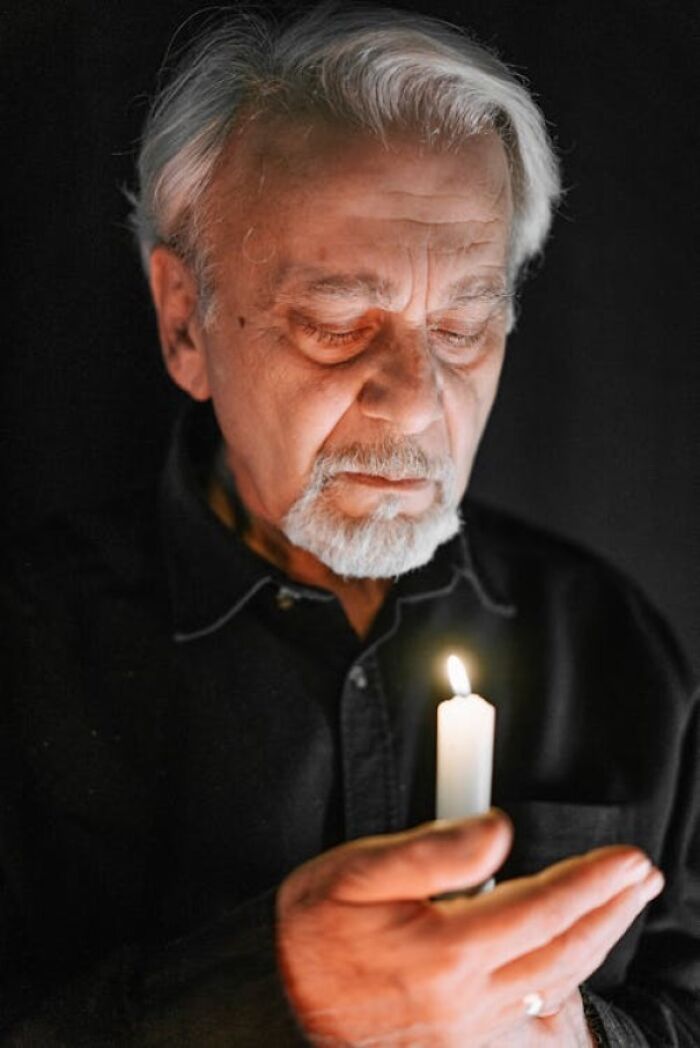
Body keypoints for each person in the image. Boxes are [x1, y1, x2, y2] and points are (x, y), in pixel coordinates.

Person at [2, 5, 698, 1045]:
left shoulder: (612, 641)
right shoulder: (28, 649)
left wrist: (583, 1037)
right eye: (336, 324)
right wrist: (273, 993)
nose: (414, 403)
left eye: (462, 326)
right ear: (185, 323)